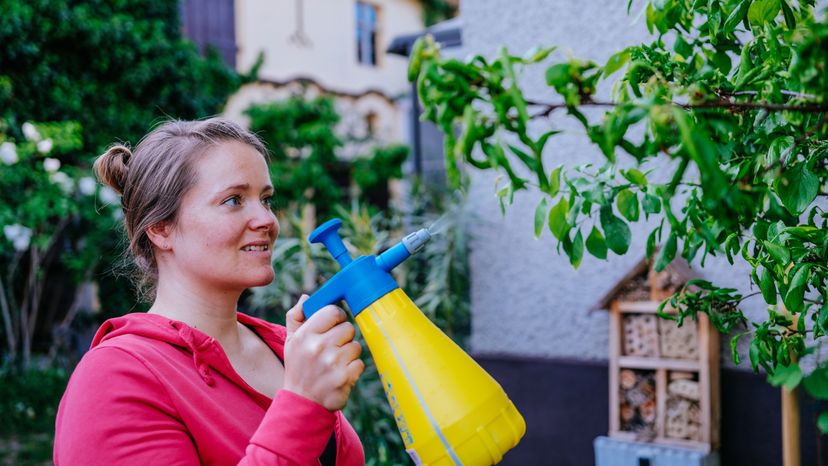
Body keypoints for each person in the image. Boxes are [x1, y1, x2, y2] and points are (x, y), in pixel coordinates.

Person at [54, 118, 366, 465]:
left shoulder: (282, 347)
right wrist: (303, 404)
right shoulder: (116, 378)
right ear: (160, 229)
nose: (266, 219)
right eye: (234, 200)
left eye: (265, 199)